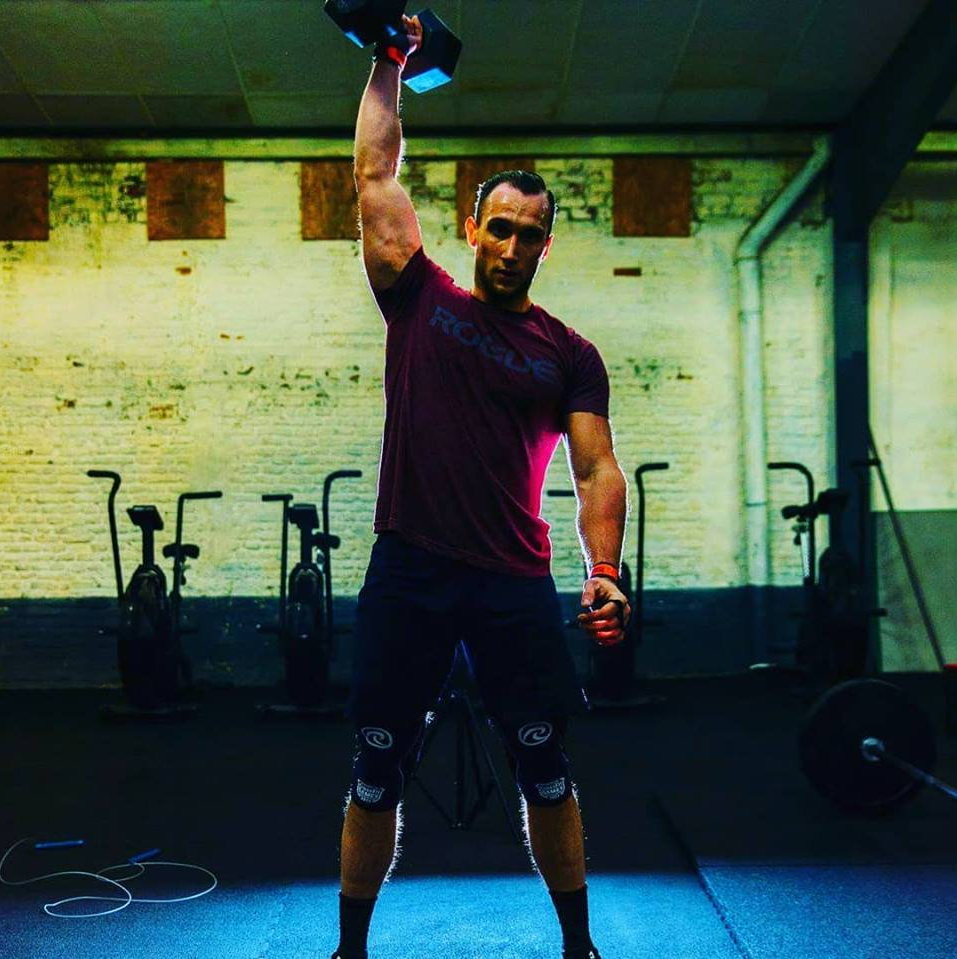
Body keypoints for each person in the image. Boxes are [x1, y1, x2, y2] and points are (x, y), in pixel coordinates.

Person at [332, 16, 630, 959]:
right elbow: (374, 175)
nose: (510, 245)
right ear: (471, 229)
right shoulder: (418, 297)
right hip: (410, 568)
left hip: (511, 580)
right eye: (498, 227)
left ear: (546, 246)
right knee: (374, 771)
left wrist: (604, 568)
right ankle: (349, 950)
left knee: (545, 768)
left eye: (529, 235)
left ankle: (578, 947)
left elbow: (594, 467)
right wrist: (390, 58)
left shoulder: (568, 354)